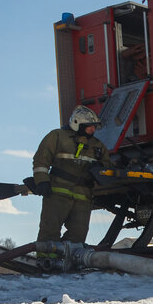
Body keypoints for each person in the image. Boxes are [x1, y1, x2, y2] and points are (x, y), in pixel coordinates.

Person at [32, 105, 112, 264]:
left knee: (78, 233)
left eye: (94, 127)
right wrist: (42, 181)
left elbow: (107, 167)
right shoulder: (57, 136)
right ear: (77, 123)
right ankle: (46, 263)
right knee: (50, 229)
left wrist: (100, 169)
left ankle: (69, 262)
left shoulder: (97, 145)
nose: (92, 130)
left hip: (83, 196)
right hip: (57, 192)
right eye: (89, 126)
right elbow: (41, 160)